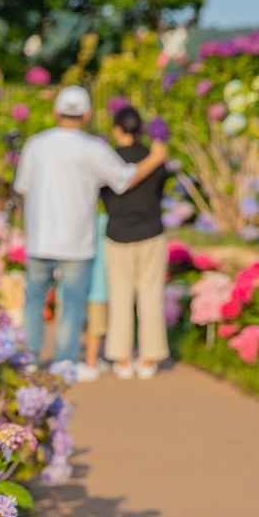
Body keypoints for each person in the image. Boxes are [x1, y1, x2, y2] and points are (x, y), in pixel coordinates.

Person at [12, 85, 167, 378]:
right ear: (86, 115)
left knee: (34, 298)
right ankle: (65, 359)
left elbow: (21, 188)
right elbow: (124, 179)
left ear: (56, 112)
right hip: (76, 241)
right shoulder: (93, 148)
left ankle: (30, 356)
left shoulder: (36, 145)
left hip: (39, 238)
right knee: (71, 302)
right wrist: (155, 159)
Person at [102, 106, 171, 379]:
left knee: (120, 296)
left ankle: (121, 359)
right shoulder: (153, 158)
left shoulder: (108, 160)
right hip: (151, 232)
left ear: (117, 129)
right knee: (150, 295)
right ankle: (149, 358)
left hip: (117, 233)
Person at [83, 212, 109, 373]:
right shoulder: (104, 220)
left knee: (90, 325)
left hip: (81, 282)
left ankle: (91, 359)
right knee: (96, 325)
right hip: (99, 285)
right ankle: (91, 361)